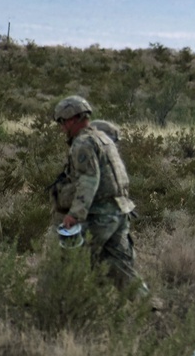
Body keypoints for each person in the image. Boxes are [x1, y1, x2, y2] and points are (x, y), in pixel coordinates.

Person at [52, 95, 145, 295]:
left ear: (70, 119)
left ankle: (62, 310)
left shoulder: (83, 143)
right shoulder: (103, 139)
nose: (61, 128)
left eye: (61, 122)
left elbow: (88, 179)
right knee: (122, 270)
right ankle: (150, 310)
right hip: (119, 213)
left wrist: (75, 214)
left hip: (100, 215)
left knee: (68, 261)